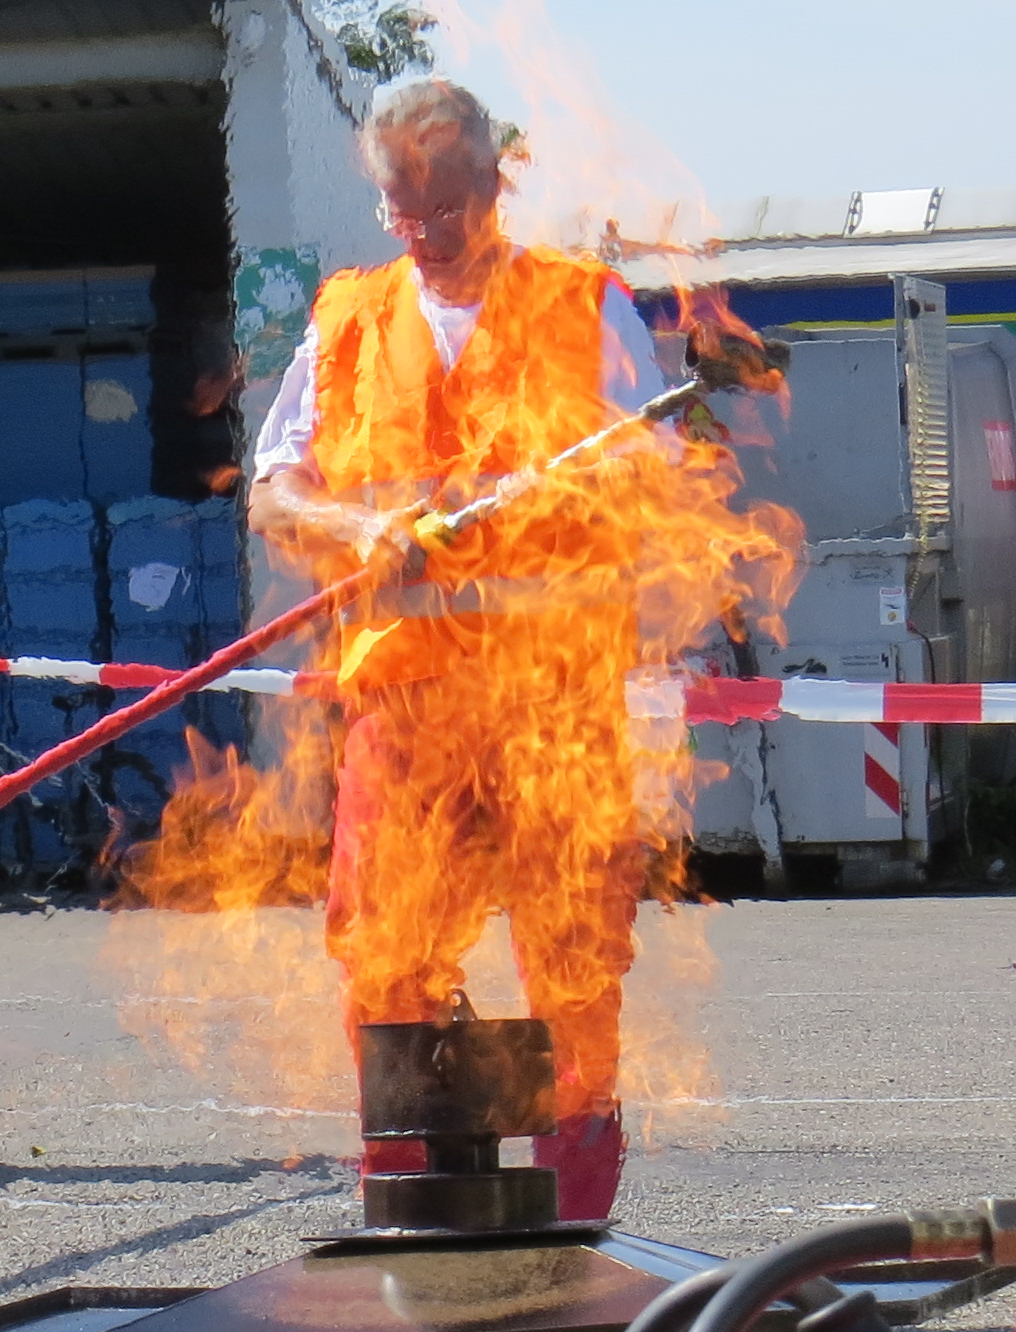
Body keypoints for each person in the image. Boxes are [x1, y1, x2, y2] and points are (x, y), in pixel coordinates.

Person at [247, 75, 667, 1222]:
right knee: (385, 959)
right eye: (405, 206)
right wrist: (353, 528)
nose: (427, 229)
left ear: (496, 181)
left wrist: (558, 501)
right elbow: (275, 489)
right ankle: (412, 1199)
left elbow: (655, 476)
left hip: (552, 699)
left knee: (574, 954)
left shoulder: (582, 305)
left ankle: (574, 1212)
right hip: (405, 704)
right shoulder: (348, 320)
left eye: (449, 202)